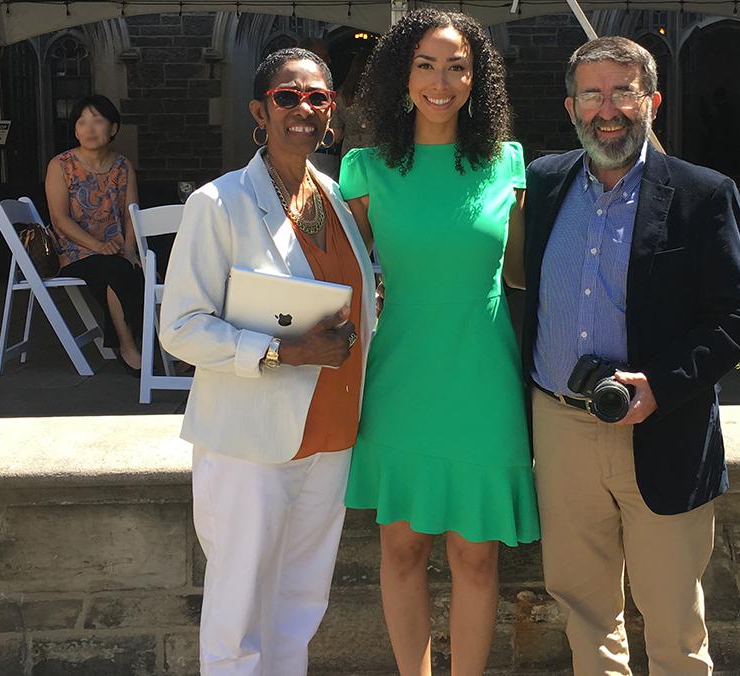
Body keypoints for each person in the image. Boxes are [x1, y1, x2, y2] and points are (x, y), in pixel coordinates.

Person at [516, 37, 740, 675]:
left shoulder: (702, 194)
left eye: (624, 91)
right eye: (592, 94)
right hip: (561, 424)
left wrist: (661, 383)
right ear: (571, 106)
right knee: (585, 608)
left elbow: (738, 318)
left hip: (663, 427)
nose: (608, 110)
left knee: (673, 617)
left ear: (651, 101)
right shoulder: (542, 185)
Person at [157, 47, 375, 676]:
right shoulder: (218, 203)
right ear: (259, 110)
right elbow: (181, 327)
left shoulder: (339, 198)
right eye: (287, 97)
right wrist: (281, 350)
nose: (303, 109)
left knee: (302, 600)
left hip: (331, 435)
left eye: (317, 98)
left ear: (331, 110)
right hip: (249, 439)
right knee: (240, 604)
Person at [339, 9, 539, 675]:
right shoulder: (364, 169)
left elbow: (524, 275)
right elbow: (330, 274)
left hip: (483, 381)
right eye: (425, 64)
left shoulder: (508, 166)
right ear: (401, 76)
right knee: (401, 552)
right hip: (400, 381)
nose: (441, 80)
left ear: (477, 80)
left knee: (477, 557)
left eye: (457, 66)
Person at [44, 95, 145, 372]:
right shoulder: (61, 165)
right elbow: (59, 218)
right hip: (77, 251)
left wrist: (130, 249)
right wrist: (98, 246)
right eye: (82, 122)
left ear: (113, 128)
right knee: (116, 271)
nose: (89, 129)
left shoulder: (123, 166)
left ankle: (167, 345)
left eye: (97, 121)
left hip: (117, 248)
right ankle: (127, 345)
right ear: (75, 130)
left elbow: (130, 213)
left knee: (147, 270)